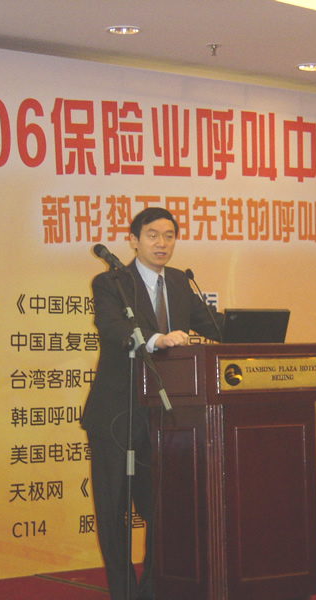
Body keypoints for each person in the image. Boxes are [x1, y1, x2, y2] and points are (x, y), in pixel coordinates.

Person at [80, 207, 223, 600]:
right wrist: (156, 339)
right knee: (114, 512)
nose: (162, 243)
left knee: (162, 510)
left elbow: (212, 325)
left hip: (164, 416)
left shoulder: (179, 282)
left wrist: (251, 332)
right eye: (153, 235)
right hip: (117, 414)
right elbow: (112, 328)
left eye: (169, 235)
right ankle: (124, 592)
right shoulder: (112, 282)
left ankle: (152, 591)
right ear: (133, 241)